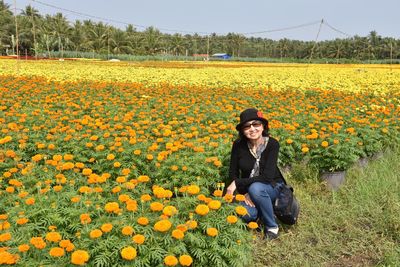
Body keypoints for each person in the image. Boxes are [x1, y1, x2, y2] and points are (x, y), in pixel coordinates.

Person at [226, 108, 284, 240]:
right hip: (249, 188)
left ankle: (272, 227)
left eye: (256, 124)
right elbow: (233, 171)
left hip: (272, 186)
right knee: (246, 215)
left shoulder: (273, 144)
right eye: (247, 126)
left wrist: (237, 183)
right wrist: (242, 193)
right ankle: (265, 212)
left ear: (263, 126)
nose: (252, 129)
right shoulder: (238, 145)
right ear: (242, 130)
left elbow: (267, 177)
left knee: (256, 188)